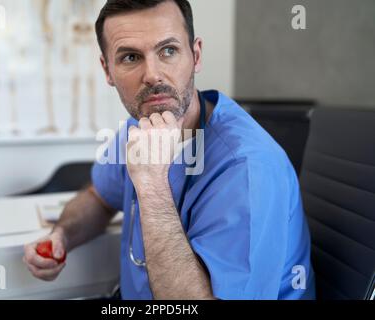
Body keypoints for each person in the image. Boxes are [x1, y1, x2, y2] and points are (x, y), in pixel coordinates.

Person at [23, 0, 315, 300]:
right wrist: (62, 235)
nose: (152, 75)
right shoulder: (138, 128)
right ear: (107, 70)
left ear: (196, 55)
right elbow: (99, 196)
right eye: (131, 57)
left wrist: (152, 186)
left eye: (168, 50)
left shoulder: (249, 167)